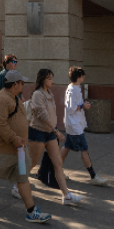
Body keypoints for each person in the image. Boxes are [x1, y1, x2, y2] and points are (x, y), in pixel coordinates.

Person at [0, 70, 52, 223]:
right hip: (3, 149)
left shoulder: (14, 97)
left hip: (18, 150)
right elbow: (0, 124)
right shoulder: (1, 99)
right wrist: (14, 138)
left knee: (22, 178)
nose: (23, 85)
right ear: (15, 84)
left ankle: (31, 211)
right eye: (22, 83)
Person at [28, 69, 83, 205]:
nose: (52, 81)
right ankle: (17, 186)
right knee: (32, 163)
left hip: (50, 133)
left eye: (52, 78)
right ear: (42, 80)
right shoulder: (37, 94)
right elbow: (43, 115)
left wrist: (55, 129)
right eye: (49, 78)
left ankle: (66, 195)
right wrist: (56, 131)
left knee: (57, 163)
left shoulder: (49, 94)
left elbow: (52, 116)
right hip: (38, 132)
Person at [61, 66, 109, 187]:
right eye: (83, 75)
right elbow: (71, 108)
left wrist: (83, 105)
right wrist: (83, 106)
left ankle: (54, 170)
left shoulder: (74, 88)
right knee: (84, 149)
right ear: (78, 77)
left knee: (66, 147)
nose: (84, 77)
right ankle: (93, 176)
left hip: (74, 124)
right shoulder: (73, 90)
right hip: (74, 125)